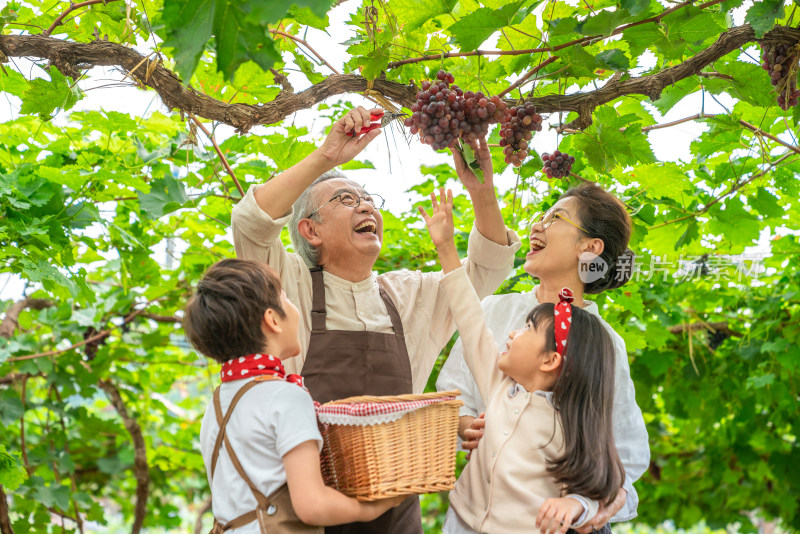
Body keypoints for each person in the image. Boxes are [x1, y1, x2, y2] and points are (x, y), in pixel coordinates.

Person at [230, 106, 521, 534]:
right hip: (307, 509)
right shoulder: (286, 282)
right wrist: (327, 157)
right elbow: (251, 224)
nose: (365, 205)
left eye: (368, 199)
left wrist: (483, 191)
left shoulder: (408, 295)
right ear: (310, 230)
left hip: (396, 510)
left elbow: (487, 270)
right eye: (347, 199)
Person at [436, 182, 650, 531]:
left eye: (556, 218)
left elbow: (626, 453)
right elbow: (452, 394)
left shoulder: (604, 344)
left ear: (590, 247)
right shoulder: (494, 308)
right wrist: (465, 425)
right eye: (541, 217)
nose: (537, 225)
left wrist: (584, 506)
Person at [185, 259, 405, 533]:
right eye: (286, 298)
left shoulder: (217, 403)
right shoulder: (285, 397)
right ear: (273, 320)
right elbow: (312, 504)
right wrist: (372, 507)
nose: (295, 308)